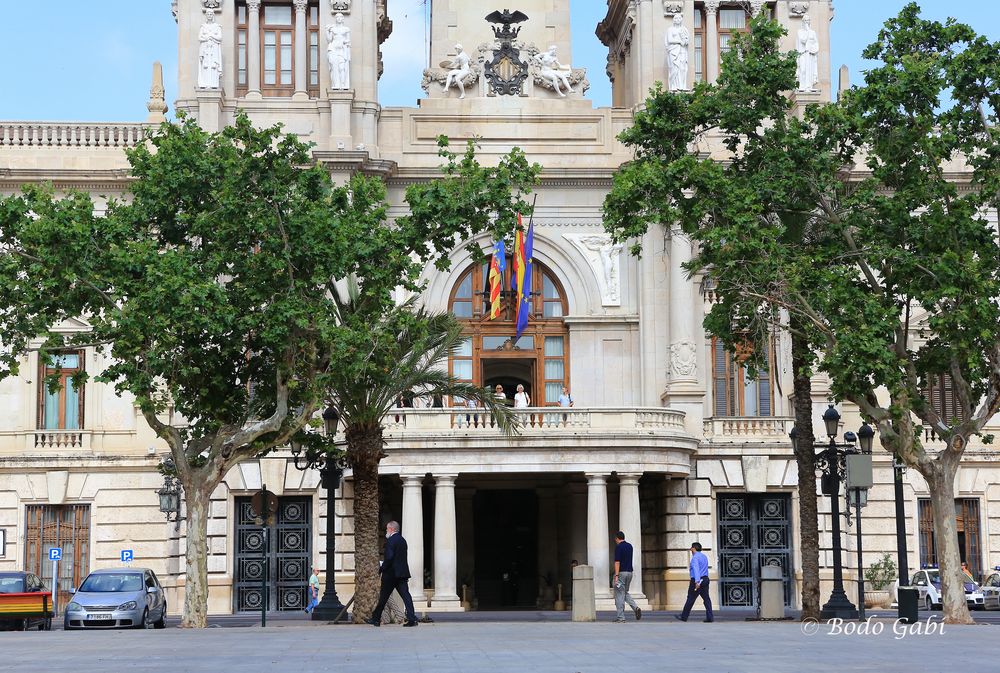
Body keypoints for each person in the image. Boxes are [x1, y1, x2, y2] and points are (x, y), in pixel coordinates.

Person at [367, 521, 419, 627]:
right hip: (402, 574)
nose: (386, 531)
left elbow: (389, 557)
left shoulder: (391, 541)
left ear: (391, 529)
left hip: (391, 575)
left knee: (383, 597)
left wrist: (382, 568)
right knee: (406, 596)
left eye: (387, 529)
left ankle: (376, 619)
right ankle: (412, 618)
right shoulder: (403, 540)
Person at [676, 541, 713, 622]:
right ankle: (710, 617)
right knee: (706, 599)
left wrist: (697, 582)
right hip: (705, 579)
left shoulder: (695, 557)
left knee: (690, 599)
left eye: (691, 548)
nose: (690, 550)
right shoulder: (704, 556)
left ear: (694, 548)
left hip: (697, 580)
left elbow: (696, 569)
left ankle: (684, 617)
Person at [613, 531, 641, 623]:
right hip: (629, 573)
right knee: (624, 593)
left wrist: (616, 575)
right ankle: (635, 607)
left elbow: (617, 562)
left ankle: (621, 618)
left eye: (615, 539)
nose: (615, 541)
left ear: (617, 538)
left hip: (621, 573)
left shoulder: (618, 547)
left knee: (619, 595)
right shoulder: (630, 546)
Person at [197, 10, 223, 89]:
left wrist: (211, 36)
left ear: (213, 15)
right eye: (208, 14)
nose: (209, 15)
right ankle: (205, 83)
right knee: (205, 66)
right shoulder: (203, 26)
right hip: (205, 48)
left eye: (211, 14)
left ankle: (213, 83)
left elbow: (220, 37)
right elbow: (199, 37)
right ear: (206, 16)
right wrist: (206, 38)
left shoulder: (217, 26)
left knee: (214, 66)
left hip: (214, 49)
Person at [665, 14, 690, 91]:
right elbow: (669, 40)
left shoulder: (684, 29)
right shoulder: (670, 29)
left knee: (682, 68)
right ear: (674, 20)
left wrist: (685, 41)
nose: (678, 19)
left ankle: (682, 86)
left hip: (682, 50)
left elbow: (687, 40)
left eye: (679, 18)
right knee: (674, 67)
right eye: (676, 18)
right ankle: (674, 86)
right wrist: (679, 41)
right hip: (673, 51)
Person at [327, 13, 352, 90]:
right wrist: (327, 31)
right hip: (333, 49)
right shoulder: (333, 29)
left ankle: (343, 84)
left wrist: (346, 43)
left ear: (343, 19)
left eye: (340, 17)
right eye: (337, 17)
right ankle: (336, 84)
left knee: (342, 68)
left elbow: (348, 41)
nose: (339, 18)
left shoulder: (346, 29)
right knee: (334, 68)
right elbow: (329, 39)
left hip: (342, 50)